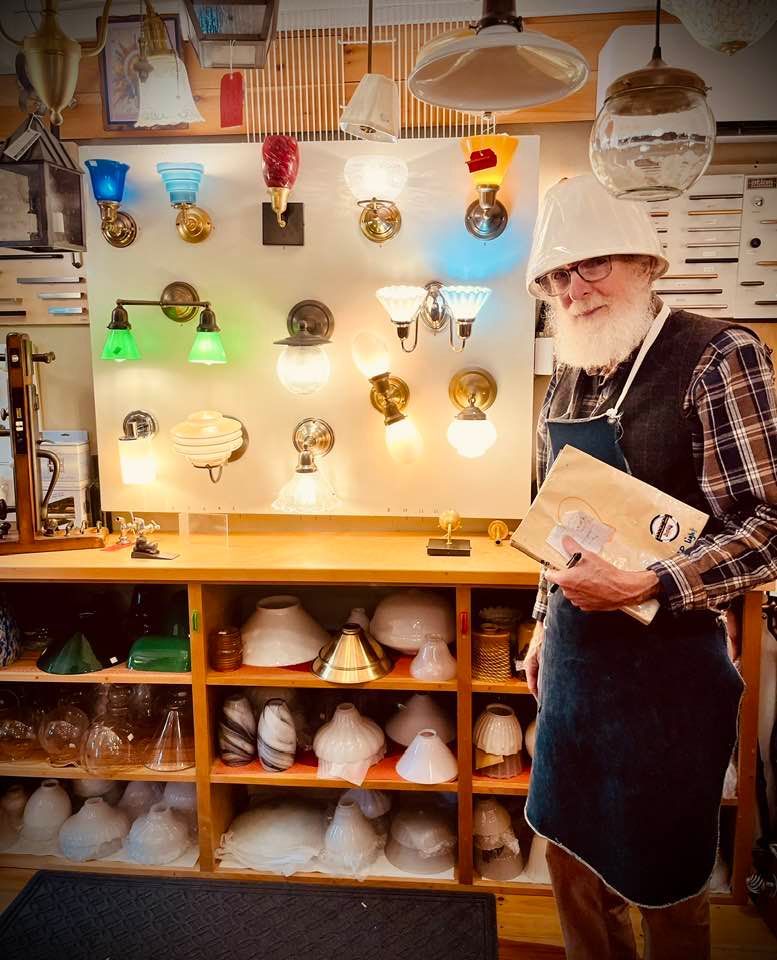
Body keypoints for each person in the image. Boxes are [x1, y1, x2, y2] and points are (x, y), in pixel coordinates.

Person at [522, 174, 777, 960]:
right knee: (567, 853)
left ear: (642, 262)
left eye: (591, 264)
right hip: (573, 663)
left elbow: (769, 523)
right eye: (558, 276)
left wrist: (650, 583)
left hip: (668, 672)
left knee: (663, 878)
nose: (574, 288)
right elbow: (554, 516)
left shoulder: (717, 355)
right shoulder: (568, 374)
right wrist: (540, 623)